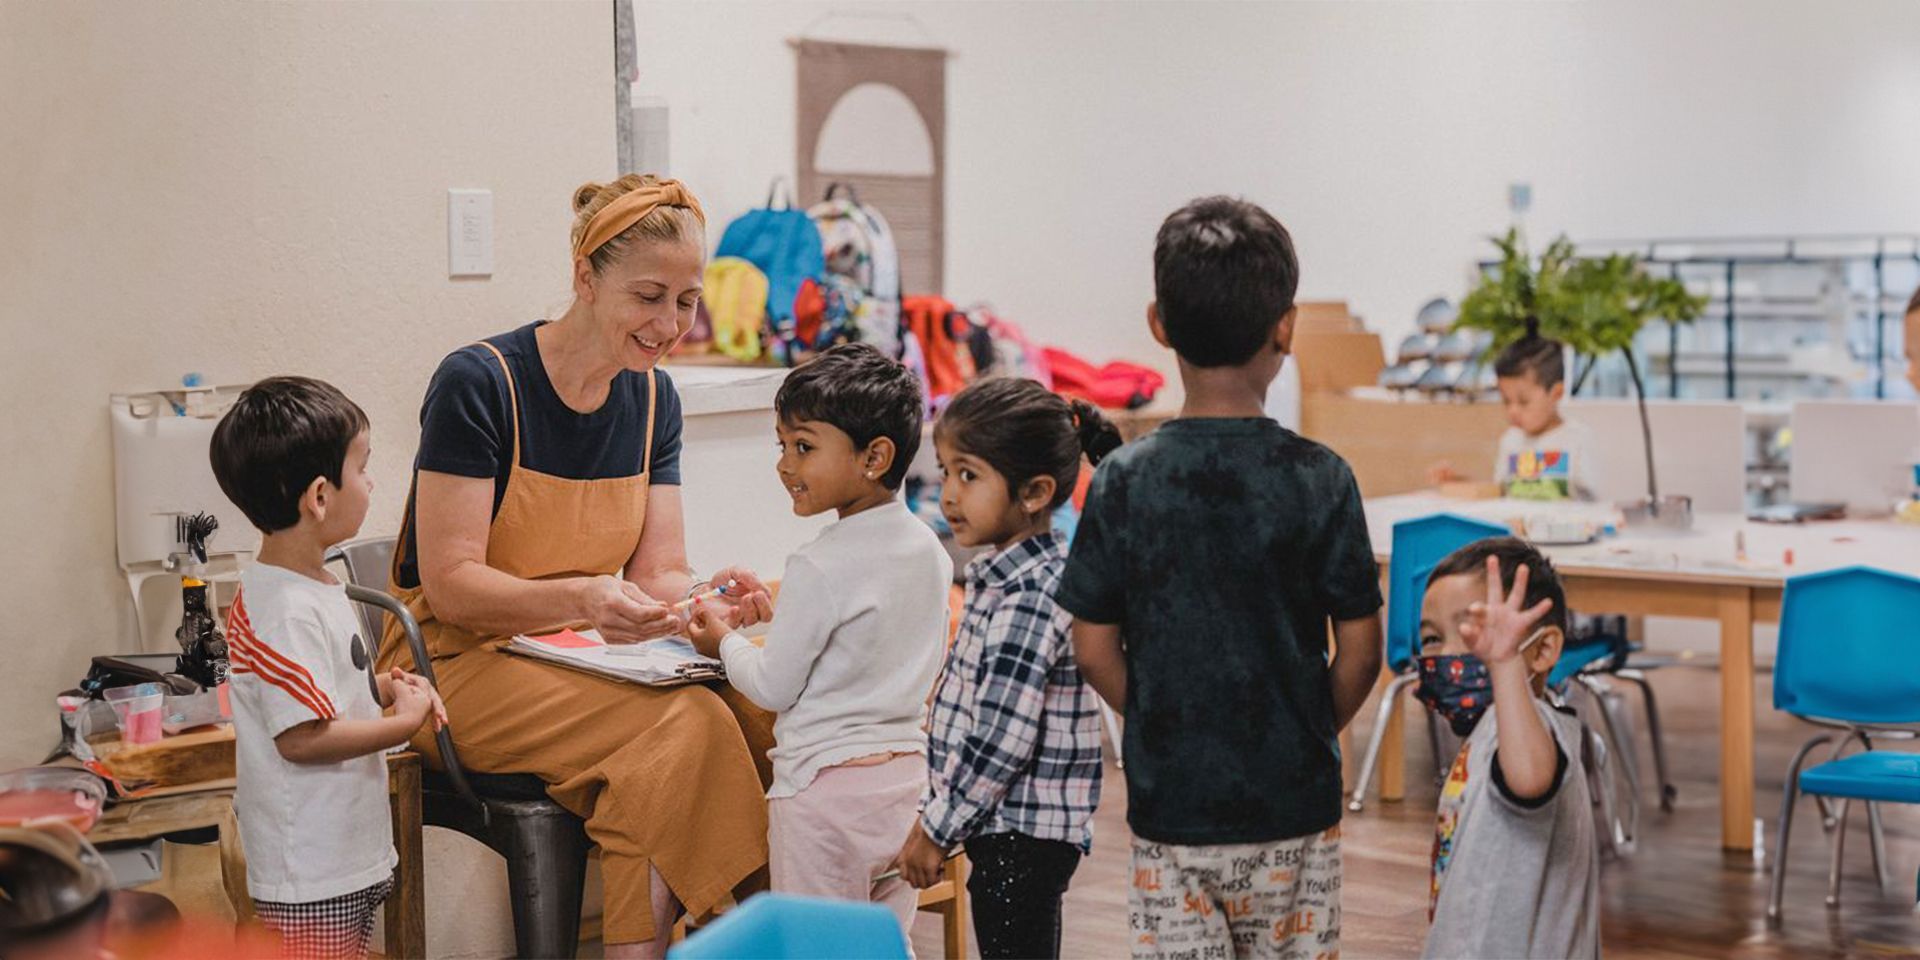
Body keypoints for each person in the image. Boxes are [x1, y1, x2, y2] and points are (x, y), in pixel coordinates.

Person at [376, 175, 777, 957]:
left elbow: (660, 570)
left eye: (687, 301)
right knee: (684, 725)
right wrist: (586, 599)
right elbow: (453, 588)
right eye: (649, 296)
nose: (669, 325)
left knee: (764, 705)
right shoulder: (481, 384)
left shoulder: (656, 400)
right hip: (454, 667)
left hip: (582, 657)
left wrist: (703, 599)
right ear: (585, 277)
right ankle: (751, 937)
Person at [1058, 196, 1384, 960]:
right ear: (1287, 329)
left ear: (1158, 325)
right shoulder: (1323, 478)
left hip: (1173, 804)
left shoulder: (1123, 482)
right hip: (1293, 806)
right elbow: (1363, 651)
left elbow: (1093, 645)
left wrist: (1163, 718)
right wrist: (1302, 728)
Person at [686, 343, 952, 942]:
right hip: (905, 785)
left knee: (814, 949)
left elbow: (772, 684)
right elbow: (871, 637)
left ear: (874, 456)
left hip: (823, 797)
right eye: (782, 446)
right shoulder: (929, 552)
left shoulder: (819, 563)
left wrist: (724, 641)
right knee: (882, 948)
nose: (785, 465)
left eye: (803, 447)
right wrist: (775, 611)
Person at [208, 376, 446, 959]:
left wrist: (384, 688)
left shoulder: (311, 585)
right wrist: (403, 724)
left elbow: (322, 690)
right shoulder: (285, 609)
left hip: (341, 854)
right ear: (319, 497)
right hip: (312, 872)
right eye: (362, 468)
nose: (371, 482)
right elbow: (303, 737)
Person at [892, 377, 1120, 959]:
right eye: (945, 471)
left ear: (1035, 492)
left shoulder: (1027, 598)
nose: (947, 496)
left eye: (968, 476)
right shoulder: (1013, 578)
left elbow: (1000, 740)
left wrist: (935, 829)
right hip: (1013, 829)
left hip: (1019, 833)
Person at [1414, 537, 1599, 959]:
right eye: (1432, 639)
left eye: (1476, 632)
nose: (1448, 654)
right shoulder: (1487, 733)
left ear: (1544, 650)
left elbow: (1530, 779)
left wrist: (1504, 665)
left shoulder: (1530, 729)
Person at [1434, 328, 1597, 500]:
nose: (1512, 411)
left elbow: (1593, 502)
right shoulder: (1510, 440)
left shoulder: (1577, 439)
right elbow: (1499, 492)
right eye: (1506, 401)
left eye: (1523, 402)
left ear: (1556, 393)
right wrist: (1458, 482)